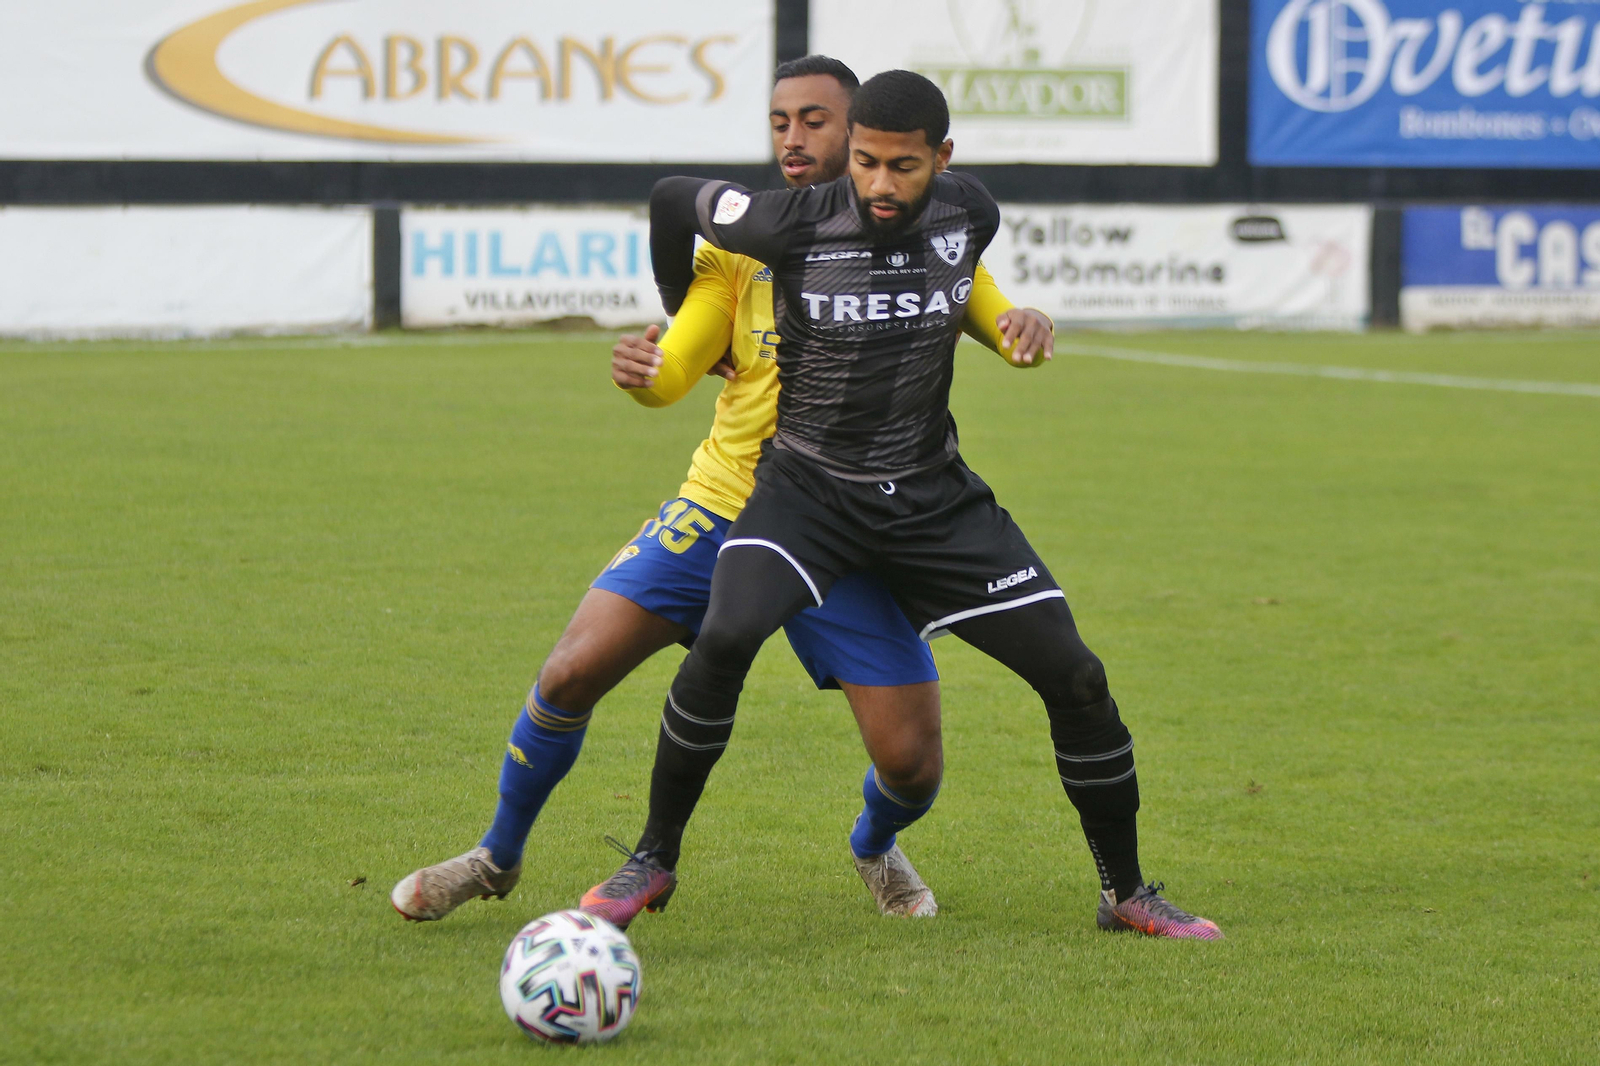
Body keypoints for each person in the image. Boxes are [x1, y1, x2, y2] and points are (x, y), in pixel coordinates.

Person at [391, 56, 1054, 924]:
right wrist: (648, 370)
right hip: (726, 504)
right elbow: (675, 366)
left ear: (862, 135)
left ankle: (873, 843)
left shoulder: (926, 237)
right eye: (780, 121)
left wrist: (1017, 327)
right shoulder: (744, 251)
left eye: (815, 120)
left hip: (849, 525)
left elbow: (989, 307)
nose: (793, 138)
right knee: (569, 672)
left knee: (912, 765)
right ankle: (496, 855)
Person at [584, 70, 1222, 940]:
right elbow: (670, 198)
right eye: (866, 162)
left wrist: (1021, 320)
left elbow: (981, 293)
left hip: (931, 500)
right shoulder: (784, 221)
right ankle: (653, 859)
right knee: (726, 636)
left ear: (943, 158)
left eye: (904, 167)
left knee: (1077, 676)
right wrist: (674, 309)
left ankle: (1126, 893)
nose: (880, 185)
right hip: (807, 492)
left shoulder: (971, 212)